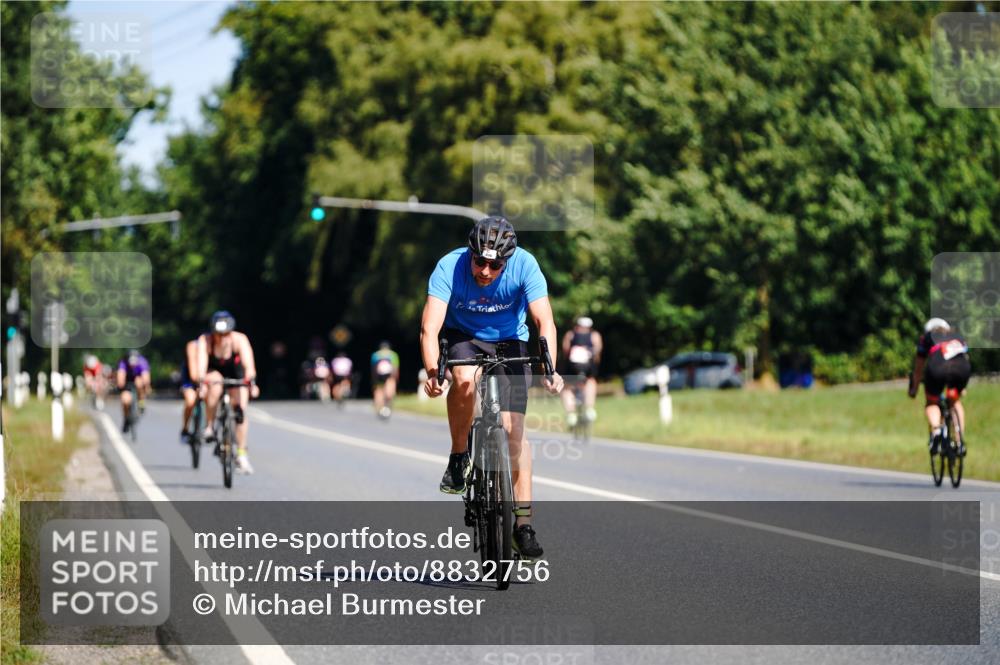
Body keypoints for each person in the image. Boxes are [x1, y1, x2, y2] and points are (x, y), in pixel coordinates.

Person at [420, 215, 563, 560]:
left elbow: (545, 321)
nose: (485, 271)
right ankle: (458, 456)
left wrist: (549, 366)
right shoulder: (448, 267)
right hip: (463, 337)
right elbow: (430, 327)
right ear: (470, 254)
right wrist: (433, 371)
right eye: (480, 262)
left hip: (510, 340)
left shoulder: (526, 265)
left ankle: (523, 525)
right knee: (465, 381)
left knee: (514, 433)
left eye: (495, 265)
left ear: (507, 262)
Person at [197, 311, 260, 474]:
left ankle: (241, 454)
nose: (222, 337)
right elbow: (202, 364)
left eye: (226, 334)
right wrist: (202, 383)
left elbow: (248, 364)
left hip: (235, 372)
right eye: (219, 334)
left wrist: (251, 382)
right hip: (214, 371)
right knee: (214, 385)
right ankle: (209, 426)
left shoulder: (240, 339)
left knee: (241, 411)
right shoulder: (205, 340)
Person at [909, 318, 971, 455]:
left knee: (932, 401)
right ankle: (960, 441)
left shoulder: (926, 338)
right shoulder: (957, 336)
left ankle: (937, 432)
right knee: (954, 400)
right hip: (961, 369)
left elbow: (918, 369)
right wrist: (962, 387)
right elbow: (964, 357)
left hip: (937, 368)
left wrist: (914, 389)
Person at [560, 316, 603, 426]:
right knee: (591, 381)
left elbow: (566, 351)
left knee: (567, 387)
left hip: (572, 367)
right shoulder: (595, 335)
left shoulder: (570, 334)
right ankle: (589, 409)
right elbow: (598, 352)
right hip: (588, 366)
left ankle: (571, 414)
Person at [116, 349, 150, 433]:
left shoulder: (142, 362)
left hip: (138, 380)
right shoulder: (123, 363)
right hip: (127, 383)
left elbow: (146, 378)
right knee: (125, 400)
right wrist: (121, 383)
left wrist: (146, 387)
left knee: (139, 383)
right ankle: (126, 418)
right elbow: (120, 376)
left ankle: (141, 401)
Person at [179, 337, 201, 444]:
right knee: (190, 401)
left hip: (206, 380)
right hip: (190, 381)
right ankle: (185, 428)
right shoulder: (193, 346)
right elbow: (193, 375)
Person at [371, 341, 399, 418]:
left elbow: (373, 369)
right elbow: (395, 368)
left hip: (378, 376)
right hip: (389, 376)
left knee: (379, 392)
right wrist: (395, 379)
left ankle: (379, 408)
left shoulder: (375, 355)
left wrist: (374, 381)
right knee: (389, 393)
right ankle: (387, 407)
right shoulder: (393, 354)